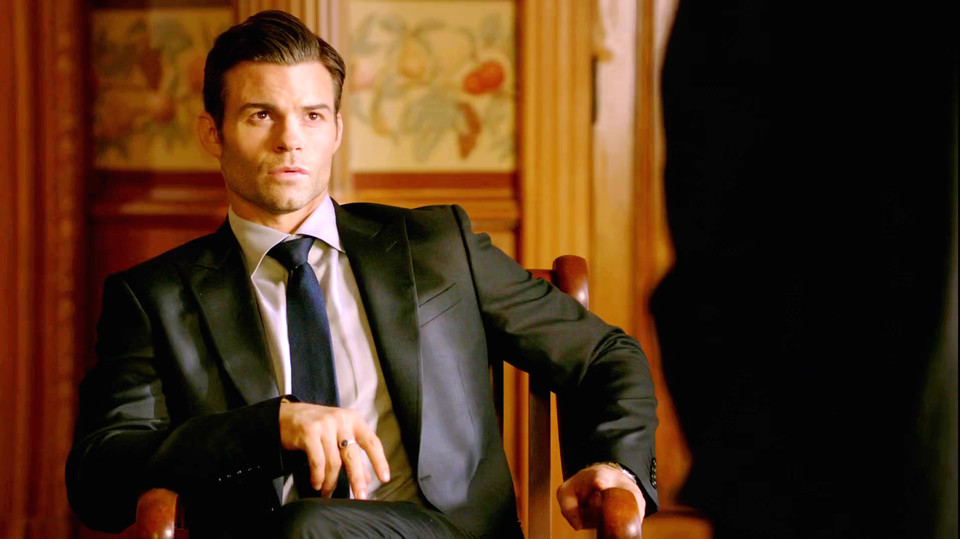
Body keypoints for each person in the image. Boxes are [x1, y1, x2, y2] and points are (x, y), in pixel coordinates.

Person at [66, 10, 658, 538]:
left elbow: (604, 353)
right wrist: (269, 427)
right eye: (261, 114)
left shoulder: (434, 246)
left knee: (308, 527)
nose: (290, 140)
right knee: (303, 527)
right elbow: (98, 474)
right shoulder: (155, 297)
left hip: (444, 533)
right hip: (274, 534)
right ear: (212, 133)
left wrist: (617, 465)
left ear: (337, 132)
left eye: (312, 115)